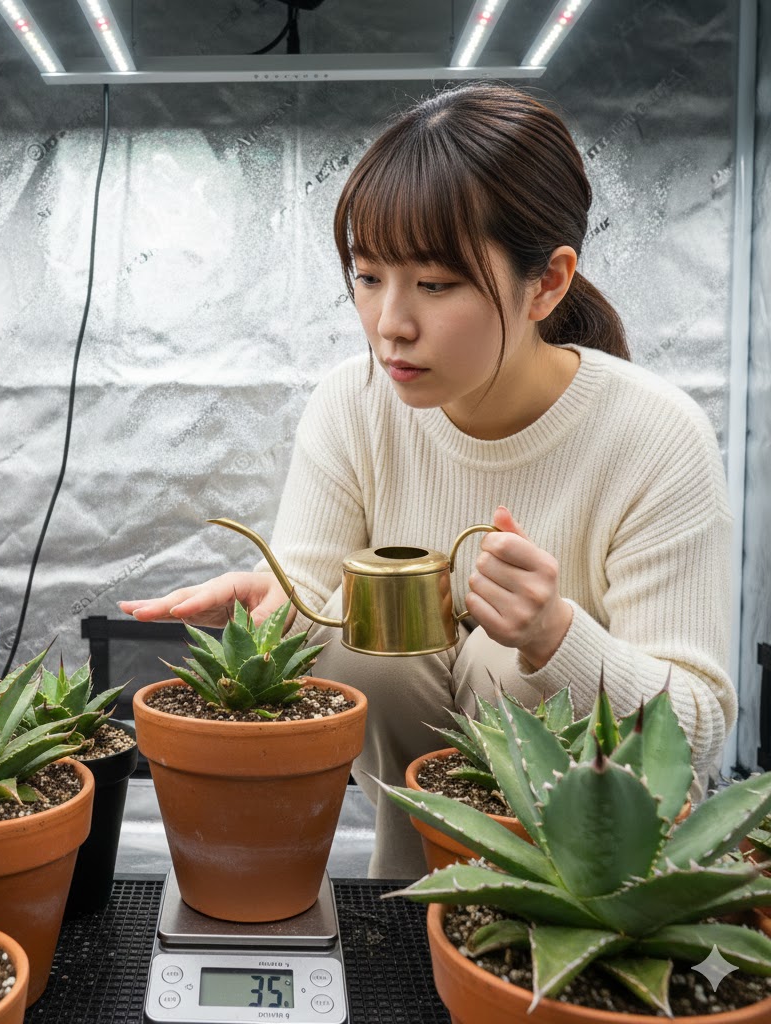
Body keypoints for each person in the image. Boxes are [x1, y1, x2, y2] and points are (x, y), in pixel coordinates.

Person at [120, 82, 736, 879]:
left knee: (504, 664)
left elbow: (696, 733)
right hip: (407, 834)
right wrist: (283, 610)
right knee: (358, 631)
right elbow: (318, 636)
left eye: (435, 285)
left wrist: (555, 635)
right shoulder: (354, 403)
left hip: (600, 876)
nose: (389, 324)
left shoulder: (655, 433)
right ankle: (412, 878)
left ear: (546, 282)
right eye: (369, 277)